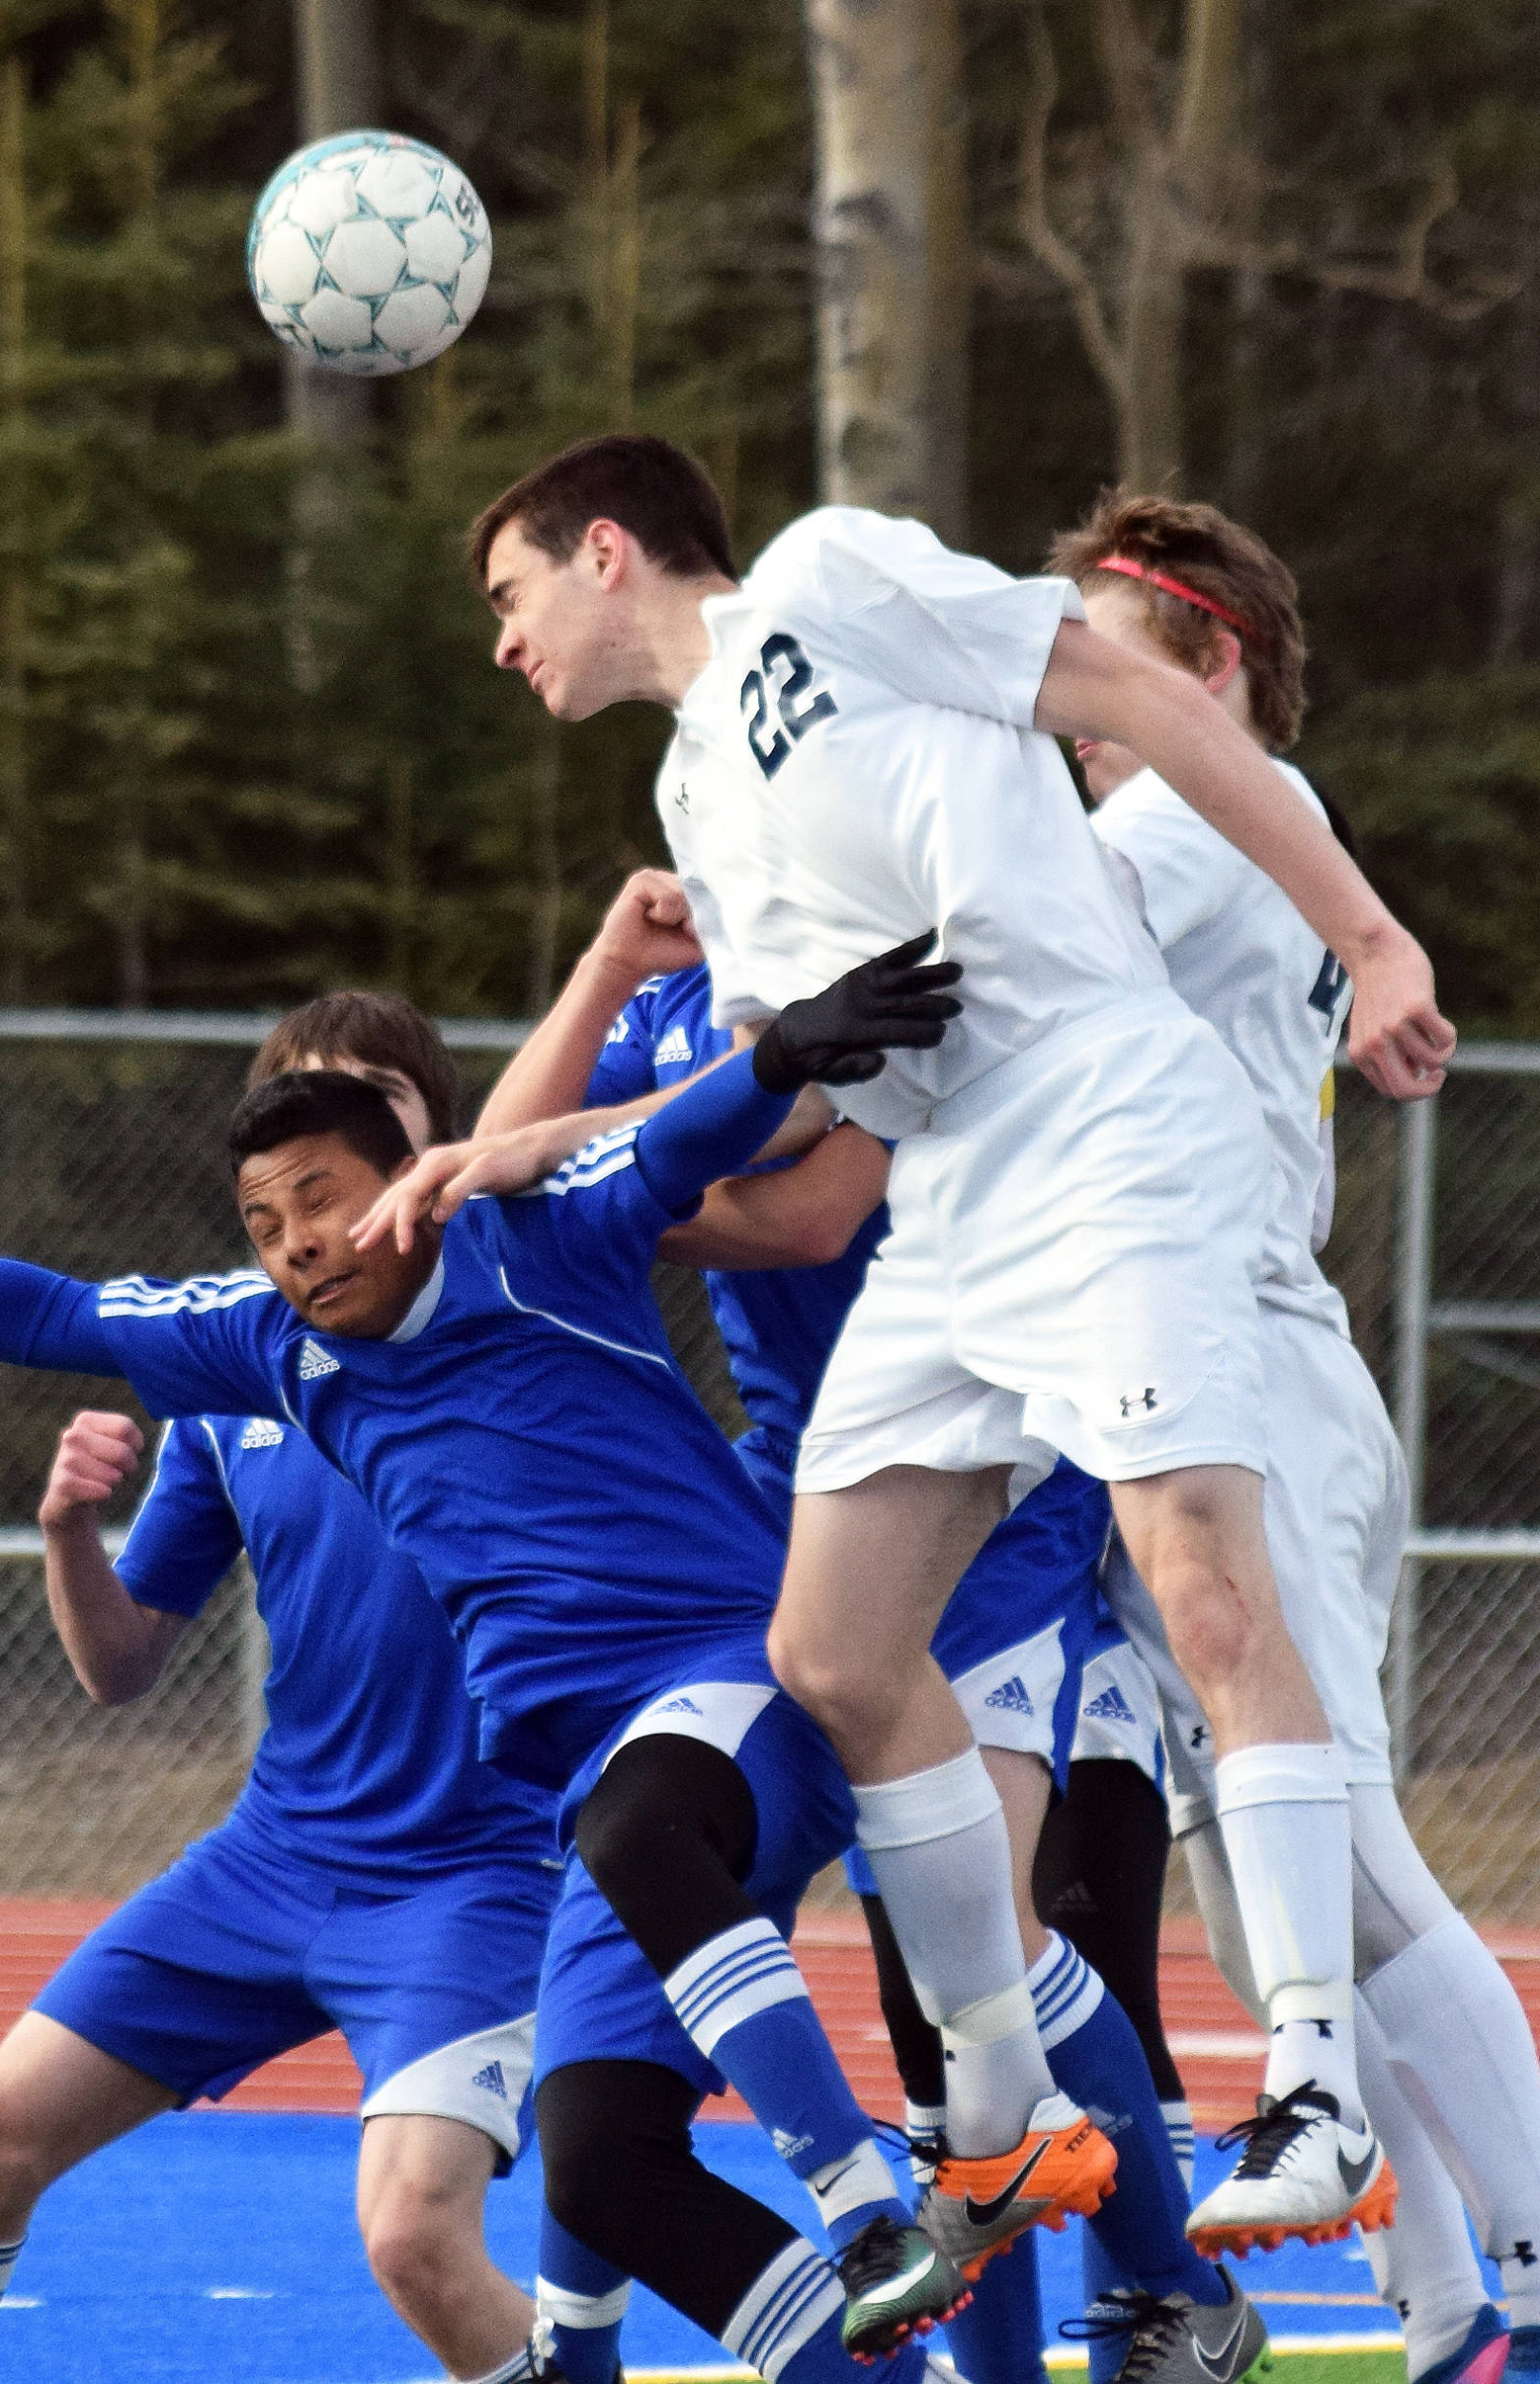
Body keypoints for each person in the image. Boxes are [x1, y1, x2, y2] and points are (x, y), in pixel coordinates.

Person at [0, 952, 1087, 2383]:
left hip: (705, 1707)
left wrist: (780, 1049)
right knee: (604, 2159)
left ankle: (868, 2205)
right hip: (494, 1807)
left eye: (321, 1195)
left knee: (471, 2145)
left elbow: (673, 1143)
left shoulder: (537, 1239)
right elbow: (45, 1314)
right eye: (264, 1221)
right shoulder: (262, 1352)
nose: (297, 1241)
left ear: (420, 1163)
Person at [462, 431, 1454, 2258]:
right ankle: (996, 2104)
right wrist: (537, 1146)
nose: (504, 640)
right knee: (833, 1648)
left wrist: (1370, 940)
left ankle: (1314, 2082)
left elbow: (1130, 697)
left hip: (1099, 1112)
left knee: (1202, 1579)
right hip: (953, 1190)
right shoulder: (697, 794)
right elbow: (769, 1114)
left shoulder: (831, 579)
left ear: (607, 552)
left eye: (512, 594)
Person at [471, 881, 1224, 2384]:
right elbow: (495, 1186)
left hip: (981, 1494)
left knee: (978, 1969)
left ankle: (1172, 2288)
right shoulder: (689, 1001)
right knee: (681, 1881)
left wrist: (619, 1184)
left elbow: (816, 1209)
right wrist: (608, 967)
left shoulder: (914, 960)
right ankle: (599, 2324)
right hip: (797, 1500)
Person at [0, 995, 560, 2384]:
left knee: (413, 2237)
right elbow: (121, 1666)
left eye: (358, 1120)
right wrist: (63, 1534)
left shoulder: (525, 1318)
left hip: (474, 1882)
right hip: (274, 1861)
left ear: (430, 1138)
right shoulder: (229, 1377)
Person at [1055, 489, 1540, 2384]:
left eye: (1109, 649)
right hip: (1178, 1374)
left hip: (1244, 1366)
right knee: (1279, 1914)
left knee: (1344, 1867)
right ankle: (1451, 2321)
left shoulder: (1194, 814)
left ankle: (1522, 2265)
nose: (1072, 689)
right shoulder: (1187, 828)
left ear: (1211, 661)